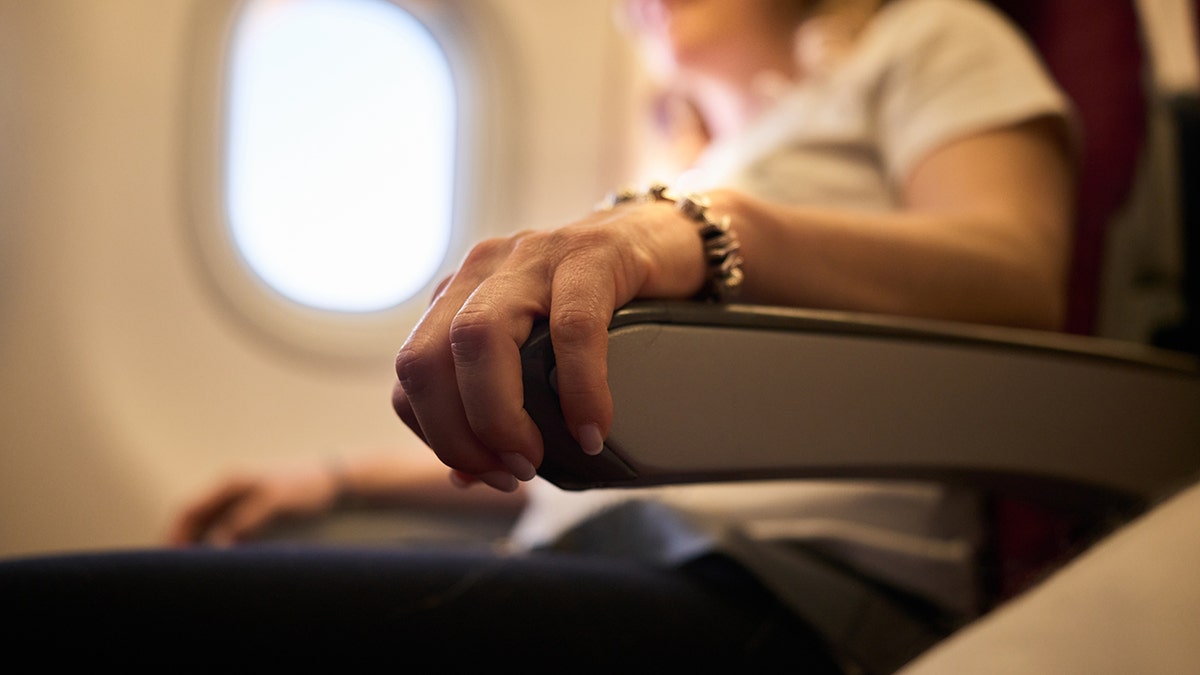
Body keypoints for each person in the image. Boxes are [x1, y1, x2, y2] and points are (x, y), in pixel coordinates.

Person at [8, 0, 1078, 670]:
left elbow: (1017, 270)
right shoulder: (691, 160)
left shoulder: (928, 38)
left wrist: (698, 228)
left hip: (787, 588)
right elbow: (589, 435)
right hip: (607, 547)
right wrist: (333, 480)